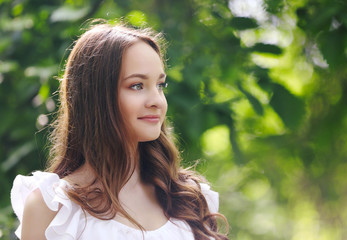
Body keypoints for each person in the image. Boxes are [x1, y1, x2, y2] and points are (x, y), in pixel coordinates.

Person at [11, 20, 228, 240]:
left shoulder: (188, 198)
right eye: (137, 85)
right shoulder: (54, 209)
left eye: (160, 85)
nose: (157, 101)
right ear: (96, 97)